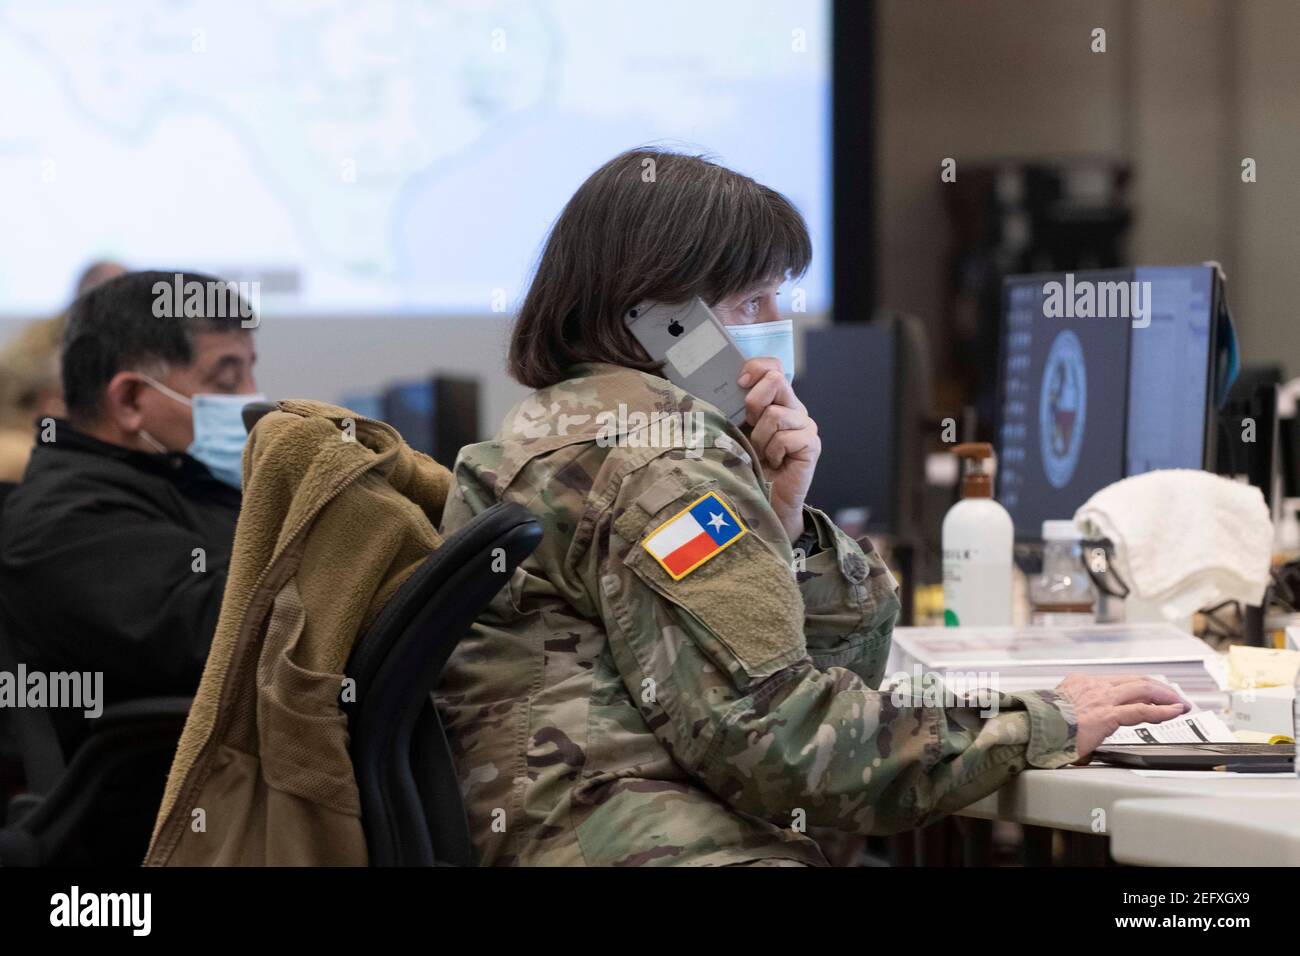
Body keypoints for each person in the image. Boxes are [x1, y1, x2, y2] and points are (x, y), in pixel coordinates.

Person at [432, 149, 1187, 867]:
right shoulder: (665, 459)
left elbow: (813, 682)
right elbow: (780, 740)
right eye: (750, 299)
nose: (775, 322)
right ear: (660, 318)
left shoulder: (564, 425)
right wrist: (1041, 720)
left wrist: (782, 521)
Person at [0, 270, 261, 725]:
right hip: (173, 786)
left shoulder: (192, 480)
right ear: (130, 401)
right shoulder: (66, 519)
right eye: (226, 379)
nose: (253, 398)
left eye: (251, 372)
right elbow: (230, 639)